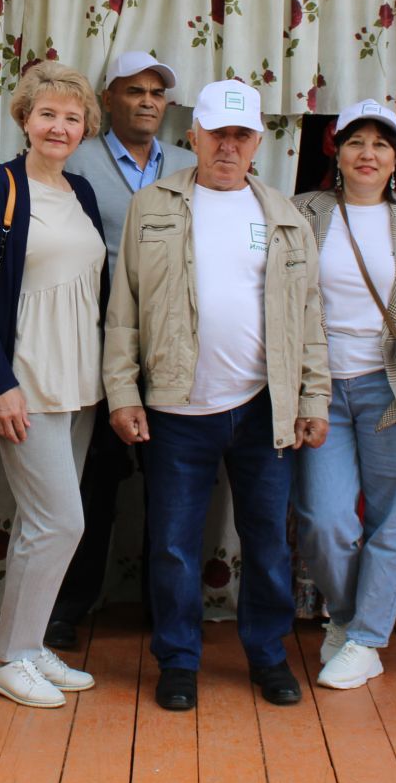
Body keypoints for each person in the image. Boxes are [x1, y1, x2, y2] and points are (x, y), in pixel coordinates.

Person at [103, 78, 329, 713]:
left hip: (263, 407)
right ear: (193, 136)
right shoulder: (153, 207)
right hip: (177, 409)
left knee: (264, 540)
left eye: (241, 135)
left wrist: (313, 400)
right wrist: (123, 392)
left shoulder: (286, 217)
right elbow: (124, 308)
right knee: (173, 542)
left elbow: (310, 317)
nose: (228, 146)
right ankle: (178, 658)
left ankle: (268, 654)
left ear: (258, 141)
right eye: (217, 134)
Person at [0, 63, 109, 708]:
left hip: (79, 384)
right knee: (61, 522)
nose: (60, 127)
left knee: (37, 527)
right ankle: (7, 657)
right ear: (24, 118)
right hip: (25, 382)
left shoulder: (82, 193)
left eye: (72, 118)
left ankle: (29, 641)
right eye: (48, 114)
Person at [292, 99, 396, 691]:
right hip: (320, 387)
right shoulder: (303, 210)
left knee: (391, 518)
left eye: (381, 144)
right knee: (325, 519)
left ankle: (365, 639)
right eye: (356, 141)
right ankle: (344, 615)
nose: (368, 153)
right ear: (336, 151)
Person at [49, 51, 196, 648]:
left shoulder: (192, 164)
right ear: (107, 101)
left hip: (172, 347)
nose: (146, 101)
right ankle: (67, 607)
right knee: (92, 483)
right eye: (133, 91)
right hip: (93, 345)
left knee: (173, 487)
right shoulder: (75, 161)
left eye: (157, 92)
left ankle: (168, 612)